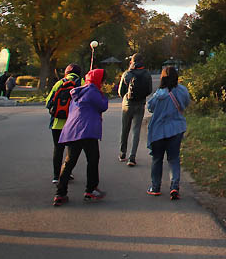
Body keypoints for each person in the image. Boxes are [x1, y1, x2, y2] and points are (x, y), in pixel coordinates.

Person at [53, 69, 108, 206]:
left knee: (70, 161)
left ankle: (60, 193)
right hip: (87, 130)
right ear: (99, 80)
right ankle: (90, 190)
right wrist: (103, 94)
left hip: (73, 129)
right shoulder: (93, 91)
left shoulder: (79, 91)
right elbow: (103, 106)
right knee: (93, 159)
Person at [146, 66, 191, 200]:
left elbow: (150, 108)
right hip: (176, 129)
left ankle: (155, 187)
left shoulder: (159, 95)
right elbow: (186, 103)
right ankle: (174, 187)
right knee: (174, 158)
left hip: (159, 130)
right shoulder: (182, 90)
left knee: (157, 158)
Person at [44, 63, 82, 182]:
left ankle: (56, 176)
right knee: (71, 151)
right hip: (74, 123)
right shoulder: (82, 83)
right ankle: (66, 173)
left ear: (66, 72)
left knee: (58, 149)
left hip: (57, 123)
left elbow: (48, 102)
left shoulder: (59, 83)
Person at [117, 54, 153, 166]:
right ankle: (132, 157)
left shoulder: (127, 73)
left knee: (125, 129)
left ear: (132, 61)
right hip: (140, 104)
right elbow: (149, 90)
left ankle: (123, 153)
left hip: (127, 104)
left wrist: (126, 96)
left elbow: (120, 92)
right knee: (136, 130)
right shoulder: (147, 74)